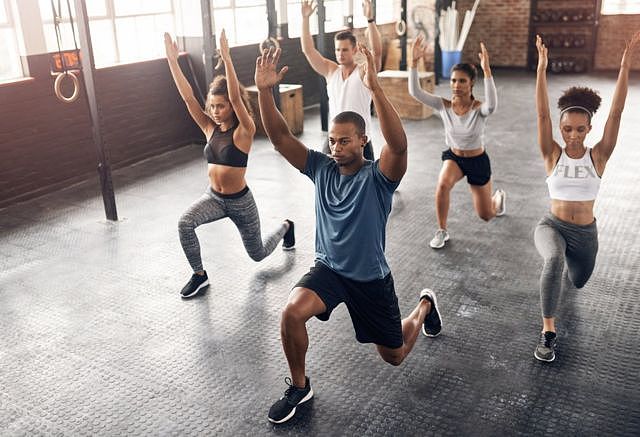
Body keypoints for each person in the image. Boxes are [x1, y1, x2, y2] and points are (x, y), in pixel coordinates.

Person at [255, 43, 443, 424]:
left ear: (363, 141)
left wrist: (375, 88)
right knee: (291, 313)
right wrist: (263, 91)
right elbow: (279, 139)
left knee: (394, 356)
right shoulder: (320, 168)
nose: (336, 147)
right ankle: (299, 385)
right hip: (329, 270)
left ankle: (425, 306)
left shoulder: (379, 178)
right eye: (332, 140)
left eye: (345, 140)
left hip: (369, 279)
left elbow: (399, 145)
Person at [532, 32, 640, 362]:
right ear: (561, 130)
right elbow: (542, 115)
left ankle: (565, 271)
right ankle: (548, 331)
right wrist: (541, 69)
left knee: (577, 282)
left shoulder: (599, 156)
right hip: (551, 225)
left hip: (585, 235)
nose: (574, 135)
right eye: (567, 129)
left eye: (580, 129)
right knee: (553, 259)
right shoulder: (551, 154)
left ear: (589, 129)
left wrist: (625, 66)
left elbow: (618, 112)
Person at [164, 31, 295, 299]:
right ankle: (199, 275)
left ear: (232, 108)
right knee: (184, 223)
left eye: (220, 106)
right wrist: (172, 61)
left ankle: (286, 227)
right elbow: (188, 97)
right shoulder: (209, 127)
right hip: (213, 198)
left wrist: (227, 59)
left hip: (240, 202)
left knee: (257, 254)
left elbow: (237, 98)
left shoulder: (244, 130)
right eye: (212, 106)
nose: (214, 111)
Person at [408, 35, 505, 249]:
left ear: (471, 84)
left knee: (486, 215)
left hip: (477, 161)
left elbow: (493, 105)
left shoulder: (479, 108)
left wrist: (487, 71)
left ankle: (497, 199)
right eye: (453, 80)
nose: (456, 85)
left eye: (462, 80)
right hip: (454, 158)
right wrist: (413, 62)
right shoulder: (444, 106)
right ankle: (442, 231)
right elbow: (415, 92)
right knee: (442, 184)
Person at [300, 0, 381, 160]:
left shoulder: (363, 71)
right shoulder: (331, 71)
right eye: (338, 49)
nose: (340, 53)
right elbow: (308, 50)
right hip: (334, 140)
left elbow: (377, 53)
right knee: (325, 181)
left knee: (364, 184)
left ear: (355, 49)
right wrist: (305, 19)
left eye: (345, 49)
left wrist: (370, 21)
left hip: (359, 142)